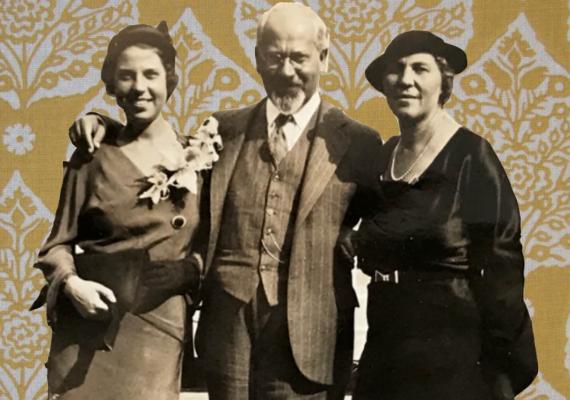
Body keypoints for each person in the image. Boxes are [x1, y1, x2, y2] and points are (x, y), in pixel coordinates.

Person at [68, 3, 382, 399]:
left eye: (300, 58)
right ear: (256, 59)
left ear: (323, 58)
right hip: (227, 328)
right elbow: (157, 161)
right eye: (275, 57)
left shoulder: (359, 142)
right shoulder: (222, 131)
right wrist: (102, 122)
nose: (287, 71)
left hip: (311, 334)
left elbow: (389, 221)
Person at [350, 30, 538, 400]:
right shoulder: (383, 158)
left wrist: (496, 369)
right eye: (396, 69)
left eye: (420, 68)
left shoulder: (471, 155)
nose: (406, 80)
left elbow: (503, 269)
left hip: (453, 356)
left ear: (443, 82)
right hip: (386, 349)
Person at [32, 22, 214, 399]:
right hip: (88, 334)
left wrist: (191, 270)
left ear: (171, 80)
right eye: (126, 76)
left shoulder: (201, 160)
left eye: (151, 74)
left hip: (159, 332)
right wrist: (72, 285)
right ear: (112, 87)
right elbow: (56, 245)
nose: (140, 87)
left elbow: (213, 248)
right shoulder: (92, 157)